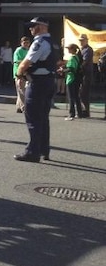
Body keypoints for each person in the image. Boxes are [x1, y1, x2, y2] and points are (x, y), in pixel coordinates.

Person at [14, 16, 57, 162]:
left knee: (32, 118)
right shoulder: (53, 42)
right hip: (49, 82)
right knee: (43, 117)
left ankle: (33, 152)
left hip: (37, 83)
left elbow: (26, 63)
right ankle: (44, 150)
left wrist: (19, 74)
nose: (31, 28)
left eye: (34, 26)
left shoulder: (39, 42)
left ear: (42, 26)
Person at [62, 43, 83, 121]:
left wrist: (62, 70)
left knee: (71, 97)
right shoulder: (77, 57)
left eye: (69, 48)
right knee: (76, 96)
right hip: (77, 79)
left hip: (71, 79)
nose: (68, 50)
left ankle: (71, 114)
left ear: (72, 49)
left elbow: (71, 69)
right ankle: (79, 113)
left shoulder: (72, 58)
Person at [13, 36, 31, 113]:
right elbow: (17, 61)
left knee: (23, 90)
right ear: (21, 43)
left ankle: (19, 107)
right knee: (21, 90)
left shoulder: (29, 51)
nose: (26, 44)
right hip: (19, 72)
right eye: (24, 43)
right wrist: (26, 63)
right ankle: (24, 107)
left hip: (27, 72)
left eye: (27, 43)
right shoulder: (19, 50)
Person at [78, 34, 93, 117]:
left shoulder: (88, 49)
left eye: (82, 40)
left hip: (86, 74)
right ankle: (83, 110)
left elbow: (84, 62)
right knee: (81, 93)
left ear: (87, 41)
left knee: (84, 93)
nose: (81, 42)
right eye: (80, 40)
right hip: (82, 74)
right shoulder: (81, 49)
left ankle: (85, 112)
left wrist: (77, 68)